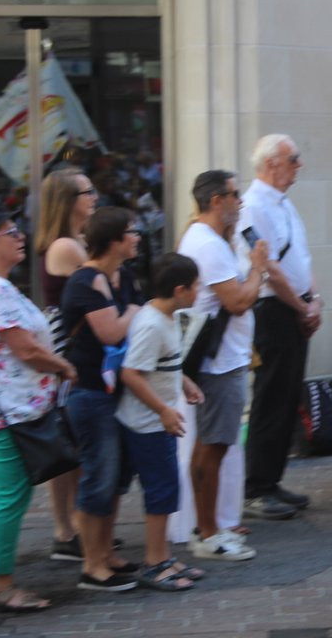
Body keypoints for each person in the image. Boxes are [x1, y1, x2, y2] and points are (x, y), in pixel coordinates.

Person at [0, 209, 77, 611]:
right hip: (7, 408)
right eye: (10, 233)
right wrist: (63, 366)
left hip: (8, 406)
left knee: (12, 493)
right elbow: (24, 348)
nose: (20, 236)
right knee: (10, 496)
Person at [178, 170, 267, 560]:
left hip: (223, 359)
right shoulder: (208, 244)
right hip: (218, 363)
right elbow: (238, 302)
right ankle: (209, 532)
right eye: (234, 194)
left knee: (212, 445)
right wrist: (259, 267)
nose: (240, 201)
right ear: (216, 201)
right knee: (212, 447)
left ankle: (209, 526)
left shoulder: (211, 239)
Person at [60, 207, 143, 591]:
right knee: (98, 476)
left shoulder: (122, 276)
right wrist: (136, 312)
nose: (138, 236)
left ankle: (106, 551)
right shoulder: (84, 280)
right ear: (113, 241)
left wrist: (130, 312)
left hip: (118, 391)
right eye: (131, 232)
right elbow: (111, 333)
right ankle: (92, 565)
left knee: (117, 478)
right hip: (90, 394)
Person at [239, 135, 320, 520]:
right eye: (294, 159)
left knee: (287, 398)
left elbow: (301, 257)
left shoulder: (282, 203)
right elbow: (269, 270)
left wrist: (313, 299)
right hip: (273, 311)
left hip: (293, 309)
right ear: (272, 164)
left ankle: (271, 480)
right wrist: (302, 306)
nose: (298, 166)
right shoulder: (253, 206)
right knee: (271, 397)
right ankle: (257, 486)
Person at [118, 252, 207, 591]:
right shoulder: (152, 323)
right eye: (196, 286)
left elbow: (162, 363)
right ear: (181, 289)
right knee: (161, 490)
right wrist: (164, 411)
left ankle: (163, 556)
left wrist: (184, 383)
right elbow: (132, 373)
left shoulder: (165, 318)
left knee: (167, 489)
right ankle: (154, 562)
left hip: (157, 421)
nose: (199, 291)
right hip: (148, 425)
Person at [34, 166, 98, 562]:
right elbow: (99, 288)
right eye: (86, 192)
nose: (94, 197)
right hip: (67, 347)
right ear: (68, 202)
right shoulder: (65, 246)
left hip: (71, 343)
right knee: (68, 442)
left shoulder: (74, 241)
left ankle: (74, 525)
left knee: (72, 443)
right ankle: (67, 528)